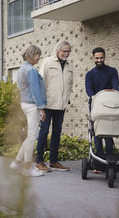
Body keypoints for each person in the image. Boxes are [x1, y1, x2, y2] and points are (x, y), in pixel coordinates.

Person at [35, 41, 72, 172]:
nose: (66, 54)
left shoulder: (69, 65)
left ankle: (54, 161)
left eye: (68, 51)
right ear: (58, 51)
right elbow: (40, 83)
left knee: (57, 132)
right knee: (44, 131)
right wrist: (40, 105)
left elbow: (69, 84)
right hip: (47, 104)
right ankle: (39, 161)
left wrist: (67, 99)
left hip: (61, 106)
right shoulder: (48, 62)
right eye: (64, 51)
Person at [10, 45, 47, 177]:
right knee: (32, 136)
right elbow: (35, 91)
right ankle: (27, 168)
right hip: (32, 105)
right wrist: (41, 108)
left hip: (25, 104)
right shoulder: (30, 70)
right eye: (38, 55)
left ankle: (16, 163)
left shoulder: (22, 68)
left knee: (31, 136)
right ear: (31, 55)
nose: (39, 57)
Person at [85, 47, 119, 157]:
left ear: (104, 57)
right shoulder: (89, 74)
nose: (99, 60)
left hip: (109, 105)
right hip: (95, 105)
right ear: (93, 58)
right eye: (97, 58)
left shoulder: (112, 71)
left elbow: (115, 87)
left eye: (101, 58)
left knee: (109, 131)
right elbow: (88, 90)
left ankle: (110, 157)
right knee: (97, 132)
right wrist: (94, 97)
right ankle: (99, 157)